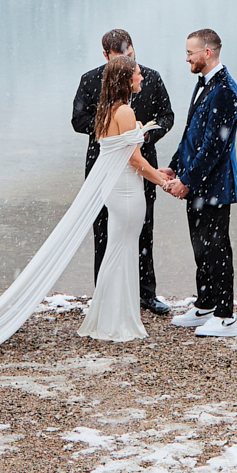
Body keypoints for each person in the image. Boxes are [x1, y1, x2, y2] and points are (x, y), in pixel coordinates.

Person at [0, 60, 184, 360]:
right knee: (121, 250)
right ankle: (116, 320)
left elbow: (121, 153)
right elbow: (134, 160)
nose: (141, 76)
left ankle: (110, 315)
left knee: (116, 250)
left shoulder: (108, 109)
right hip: (126, 192)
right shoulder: (125, 111)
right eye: (137, 73)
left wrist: (153, 169)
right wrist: (162, 180)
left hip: (118, 189)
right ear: (126, 78)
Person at [71, 29, 177, 315]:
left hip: (141, 162)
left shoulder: (149, 77)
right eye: (121, 59)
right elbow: (78, 120)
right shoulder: (90, 79)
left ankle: (146, 294)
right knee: (104, 232)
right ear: (105, 57)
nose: (129, 66)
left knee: (143, 230)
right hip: (104, 166)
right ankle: (104, 293)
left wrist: (145, 135)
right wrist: (115, 130)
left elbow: (168, 116)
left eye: (130, 57)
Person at [170, 29, 237, 338]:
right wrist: (174, 168)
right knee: (201, 246)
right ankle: (205, 304)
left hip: (215, 186)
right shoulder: (205, 85)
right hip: (198, 184)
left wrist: (187, 181)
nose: (186, 58)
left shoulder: (224, 90)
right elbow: (191, 133)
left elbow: (214, 146)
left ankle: (225, 316)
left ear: (207, 53)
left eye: (190, 53)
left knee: (217, 248)